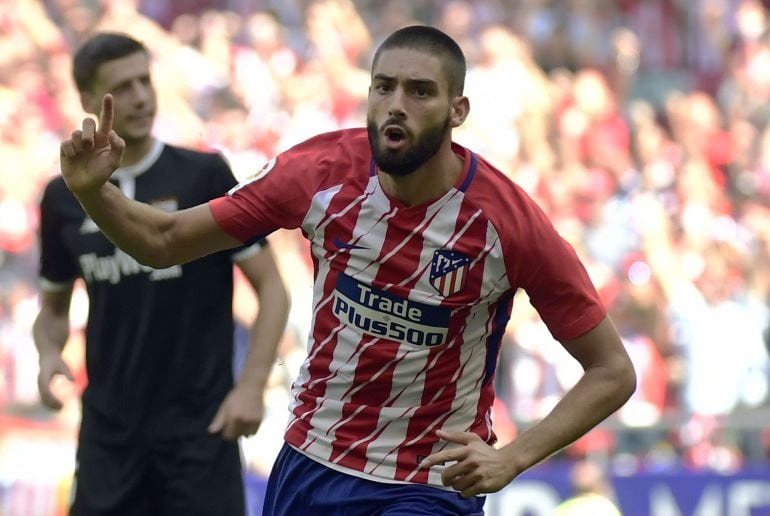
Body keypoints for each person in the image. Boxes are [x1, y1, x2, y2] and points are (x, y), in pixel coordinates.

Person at [57, 25, 636, 516]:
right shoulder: (316, 173)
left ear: (457, 110)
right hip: (314, 461)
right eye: (383, 87)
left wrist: (512, 457)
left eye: (420, 91)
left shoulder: (509, 224)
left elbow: (611, 370)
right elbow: (164, 242)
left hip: (428, 481)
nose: (396, 105)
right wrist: (94, 194)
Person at [34, 32, 290, 515]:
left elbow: (272, 288)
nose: (140, 97)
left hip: (201, 429)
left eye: (144, 81)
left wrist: (252, 385)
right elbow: (52, 308)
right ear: (89, 100)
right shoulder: (62, 196)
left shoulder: (204, 175)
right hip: (110, 435)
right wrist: (48, 355)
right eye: (122, 87)